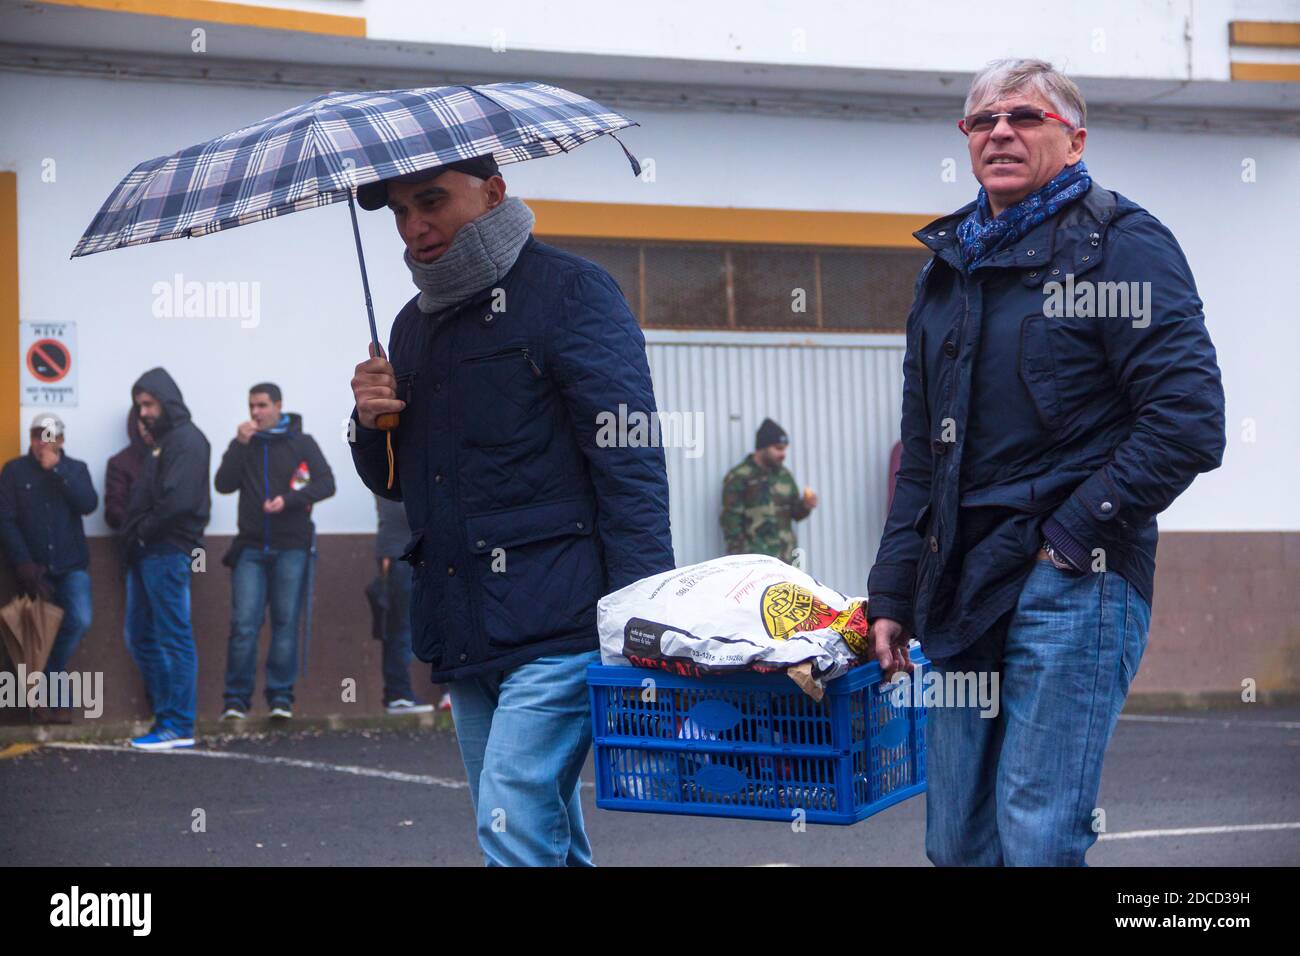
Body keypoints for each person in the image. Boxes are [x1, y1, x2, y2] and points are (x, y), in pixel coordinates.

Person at [866, 59, 1226, 866]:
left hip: (1073, 581)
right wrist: (891, 590)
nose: (1000, 131)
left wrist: (1069, 536)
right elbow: (924, 459)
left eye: (1025, 118)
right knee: (956, 838)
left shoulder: (1121, 245)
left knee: (1037, 830)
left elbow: (1189, 422)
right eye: (982, 120)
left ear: (1074, 140)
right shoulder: (945, 271)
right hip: (961, 582)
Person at [348, 154, 673, 866]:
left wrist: (642, 620)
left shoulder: (572, 293)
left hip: (563, 620)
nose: (414, 226)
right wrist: (366, 422)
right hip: (463, 625)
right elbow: (400, 485)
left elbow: (631, 462)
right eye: (401, 212)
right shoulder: (408, 328)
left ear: (494, 193)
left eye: (431, 201)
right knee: (533, 815)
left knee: (510, 814)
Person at [213, 383, 335, 721]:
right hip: (250, 548)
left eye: (262, 405)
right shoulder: (246, 443)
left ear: (279, 406)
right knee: (243, 625)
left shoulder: (301, 442)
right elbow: (222, 484)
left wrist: (290, 500)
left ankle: (281, 698)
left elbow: (327, 483)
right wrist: (238, 445)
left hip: (291, 546)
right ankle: (235, 701)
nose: (255, 412)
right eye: (251, 405)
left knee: (285, 623)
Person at [121, 368, 211, 751]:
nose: (143, 412)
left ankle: (178, 724)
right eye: (139, 405)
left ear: (166, 400)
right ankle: (166, 718)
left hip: (168, 552)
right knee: (140, 636)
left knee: (174, 638)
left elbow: (179, 501)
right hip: (148, 553)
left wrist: (141, 530)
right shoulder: (164, 442)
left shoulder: (187, 441)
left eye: (148, 403)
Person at [0, 413, 98, 722]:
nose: (43, 442)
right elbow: (6, 520)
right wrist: (23, 564)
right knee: (38, 633)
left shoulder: (76, 469)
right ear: (30, 438)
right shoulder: (14, 472)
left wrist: (58, 471)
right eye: (38, 436)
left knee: (80, 619)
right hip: (34, 569)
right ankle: (51, 700)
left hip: (71, 566)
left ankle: (46, 682)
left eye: (50, 436)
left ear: (61, 440)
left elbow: (88, 504)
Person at [367, 495, 441, 714]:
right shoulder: (393, 467)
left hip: (404, 551)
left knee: (402, 626)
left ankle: (398, 693)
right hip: (401, 553)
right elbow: (402, 511)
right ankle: (398, 694)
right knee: (401, 626)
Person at [105, 405, 154, 699]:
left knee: (173, 634)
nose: (146, 430)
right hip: (138, 557)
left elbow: (199, 512)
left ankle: (173, 705)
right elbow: (113, 510)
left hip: (180, 558)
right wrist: (142, 527)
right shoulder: (122, 463)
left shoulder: (180, 458)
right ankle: (161, 697)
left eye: (152, 424)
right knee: (138, 635)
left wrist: (197, 565)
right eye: (142, 424)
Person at [719, 418, 818, 564]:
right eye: (778, 448)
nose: (783, 454)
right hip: (755, 561)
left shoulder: (784, 475)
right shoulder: (739, 476)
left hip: (786, 560)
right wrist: (741, 559)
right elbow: (731, 522)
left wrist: (805, 505)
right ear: (763, 447)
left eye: (784, 449)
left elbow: (795, 513)